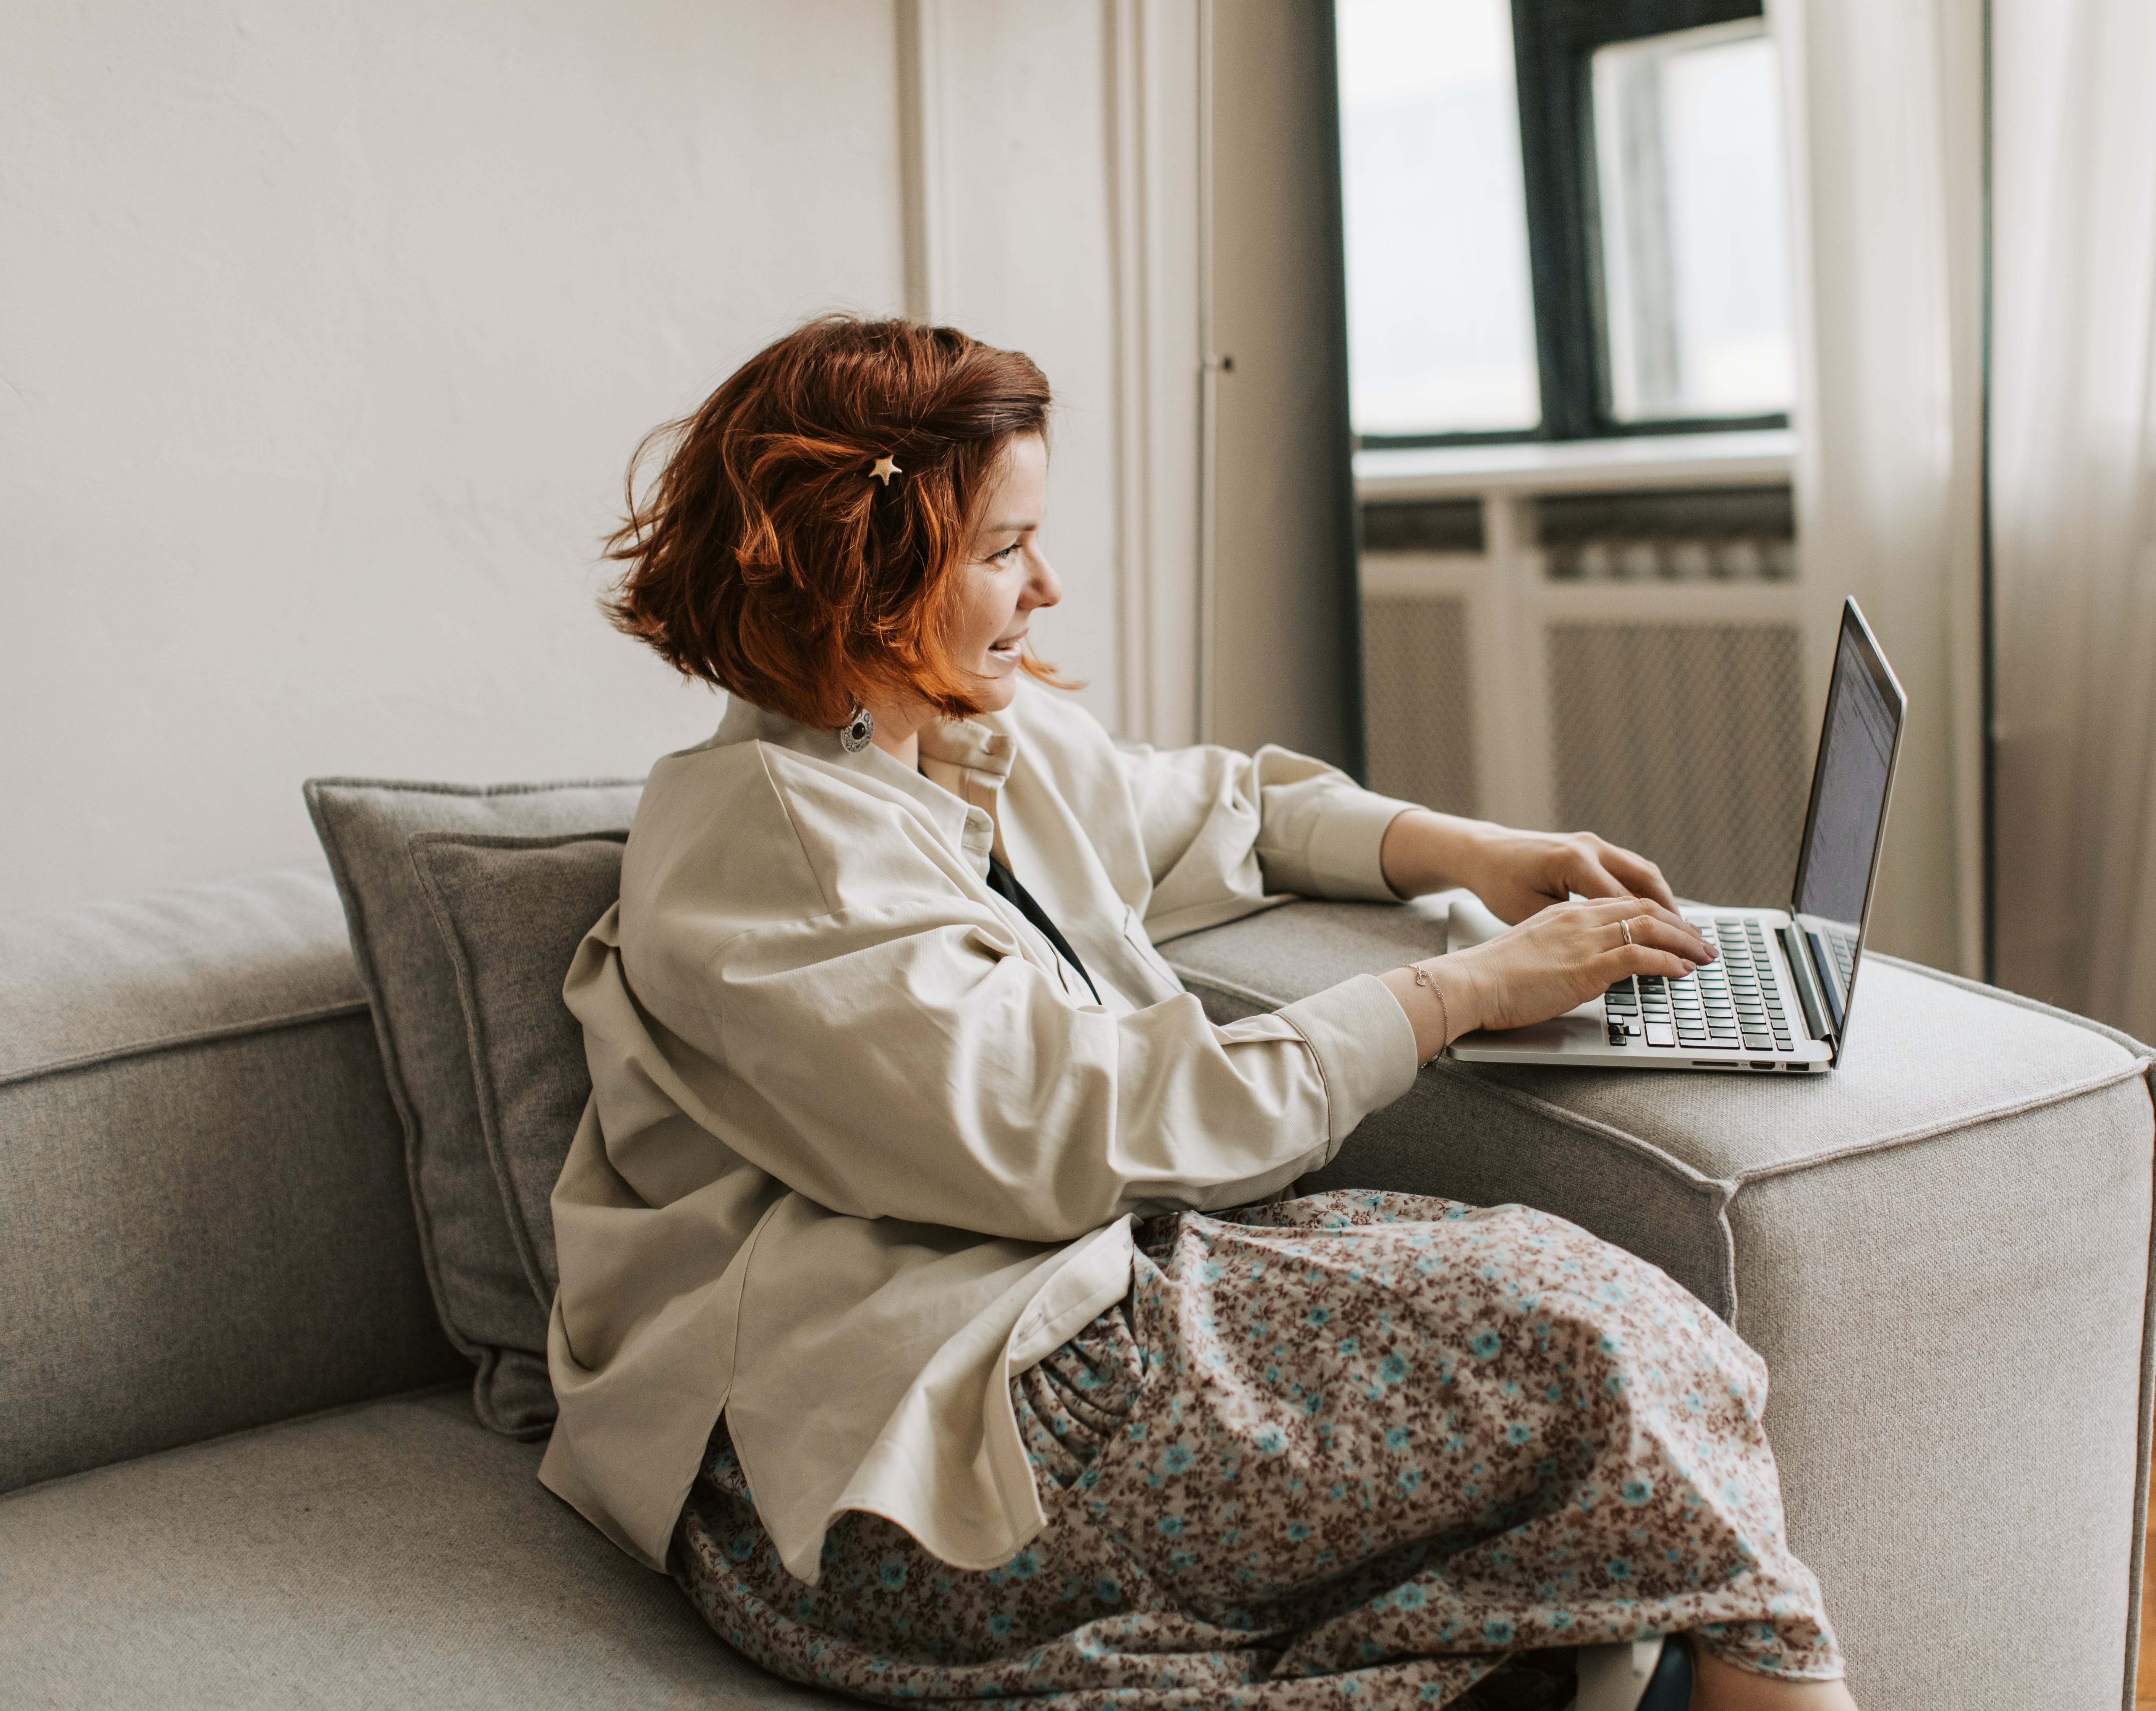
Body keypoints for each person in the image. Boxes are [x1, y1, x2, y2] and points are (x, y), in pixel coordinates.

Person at [542, 314, 1856, 1711]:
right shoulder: (766, 852)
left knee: (1606, 1324)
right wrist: (1464, 988)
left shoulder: (972, 733)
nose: (1046, 584)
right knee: (1591, 1344)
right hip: (895, 1439)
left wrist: (1468, 850)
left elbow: (1222, 808)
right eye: (1001, 551)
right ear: (858, 573)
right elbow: (1071, 1133)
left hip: (1054, 1308)